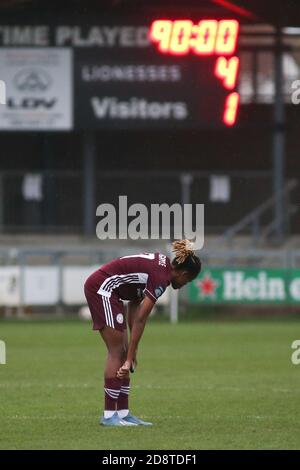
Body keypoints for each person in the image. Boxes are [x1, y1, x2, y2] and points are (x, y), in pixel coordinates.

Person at [84, 239, 201, 426]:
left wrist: (132, 350)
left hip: (112, 292)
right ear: (184, 273)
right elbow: (140, 319)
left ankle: (122, 414)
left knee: (123, 352)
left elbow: (134, 303)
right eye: (188, 280)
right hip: (102, 289)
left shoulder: (160, 267)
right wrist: (130, 356)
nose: (186, 284)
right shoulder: (162, 278)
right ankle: (108, 416)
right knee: (117, 352)